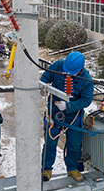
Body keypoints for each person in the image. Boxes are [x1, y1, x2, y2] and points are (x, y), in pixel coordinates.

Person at [40, 51, 94, 182]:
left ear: (80, 69)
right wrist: (44, 87)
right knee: (50, 143)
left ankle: (72, 169)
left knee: (74, 145)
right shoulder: (58, 66)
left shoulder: (86, 81)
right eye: (67, 71)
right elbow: (45, 78)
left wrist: (68, 106)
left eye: (72, 72)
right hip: (54, 114)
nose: (68, 74)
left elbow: (86, 100)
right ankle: (46, 169)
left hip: (73, 118)